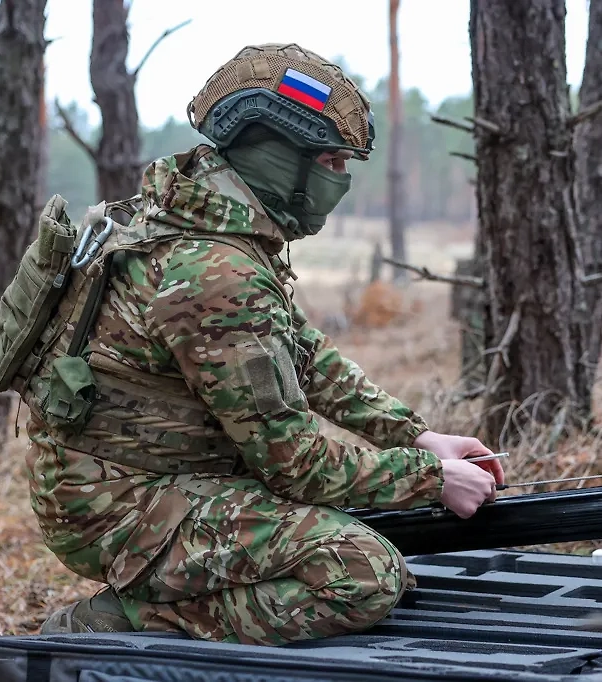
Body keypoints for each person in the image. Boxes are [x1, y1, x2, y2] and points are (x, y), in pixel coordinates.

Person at [29, 43, 504, 644]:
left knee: (351, 525)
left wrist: (417, 437)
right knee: (360, 573)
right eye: (331, 160)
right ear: (279, 160)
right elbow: (291, 458)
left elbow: (309, 358)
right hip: (118, 509)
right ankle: (116, 624)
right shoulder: (212, 270)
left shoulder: (208, 226)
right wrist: (428, 479)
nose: (341, 179)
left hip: (145, 481)